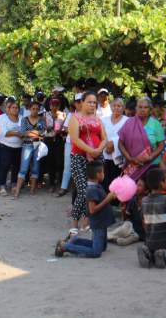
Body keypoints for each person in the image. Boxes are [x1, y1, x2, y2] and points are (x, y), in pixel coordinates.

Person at [55, 160, 116, 258]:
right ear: (98, 174)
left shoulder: (96, 186)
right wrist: (107, 199)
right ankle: (65, 247)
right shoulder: (92, 189)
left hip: (102, 222)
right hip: (98, 223)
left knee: (102, 247)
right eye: (103, 172)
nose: (104, 174)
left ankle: (75, 241)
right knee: (96, 252)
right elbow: (92, 210)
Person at [68, 91, 107, 233]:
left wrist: (98, 150)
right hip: (79, 157)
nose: (92, 105)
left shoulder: (98, 119)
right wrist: (90, 150)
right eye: (89, 102)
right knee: (83, 190)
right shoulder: (75, 118)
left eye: (94, 103)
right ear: (82, 103)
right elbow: (75, 139)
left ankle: (87, 221)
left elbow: (104, 138)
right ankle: (74, 223)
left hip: (97, 157)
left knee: (92, 191)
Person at [118, 97, 166, 182]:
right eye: (140, 107)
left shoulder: (156, 124)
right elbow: (120, 143)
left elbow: (161, 145)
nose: (142, 110)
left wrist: (150, 157)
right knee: (132, 191)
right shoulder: (129, 122)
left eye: (145, 107)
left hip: (152, 165)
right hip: (132, 165)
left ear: (150, 110)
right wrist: (130, 158)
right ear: (136, 108)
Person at [14, 101, 46, 198]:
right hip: (27, 144)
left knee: (35, 168)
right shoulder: (24, 119)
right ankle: (18, 190)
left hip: (37, 144)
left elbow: (43, 134)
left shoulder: (41, 120)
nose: (35, 111)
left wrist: (30, 132)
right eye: (33, 109)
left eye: (37, 109)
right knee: (23, 168)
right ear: (29, 109)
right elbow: (22, 133)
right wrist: (36, 133)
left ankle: (32, 189)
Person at [57, 94, 83, 197]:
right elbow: (65, 128)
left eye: (81, 101)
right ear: (74, 103)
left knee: (80, 166)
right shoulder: (71, 115)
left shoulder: (89, 115)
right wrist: (76, 130)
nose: (79, 104)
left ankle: (78, 189)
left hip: (82, 144)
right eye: (77, 102)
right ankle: (63, 187)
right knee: (67, 165)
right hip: (70, 143)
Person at [101, 98, 128, 194]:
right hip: (104, 154)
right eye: (114, 105)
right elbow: (100, 135)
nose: (116, 108)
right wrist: (106, 145)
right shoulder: (103, 120)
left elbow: (127, 138)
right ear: (111, 107)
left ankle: (116, 202)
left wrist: (114, 143)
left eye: (119, 106)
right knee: (104, 179)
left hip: (119, 157)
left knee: (117, 180)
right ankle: (104, 201)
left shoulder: (127, 121)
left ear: (123, 108)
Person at [0, 100, 23, 196]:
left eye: (17, 108)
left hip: (19, 146)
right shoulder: (1, 118)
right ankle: (2, 185)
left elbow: (24, 132)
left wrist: (17, 133)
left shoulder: (22, 118)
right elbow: (4, 133)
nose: (15, 109)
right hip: (5, 145)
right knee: (5, 165)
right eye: (13, 107)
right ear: (8, 109)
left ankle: (13, 184)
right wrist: (17, 133)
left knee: (16, 166)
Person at [43, 98, 67, 193]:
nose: (54, 107)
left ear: (59, 105)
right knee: (50, 161)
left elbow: (66, 128)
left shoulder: (63, 115)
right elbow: (42, 127)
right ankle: (52, 184)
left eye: (56, 105)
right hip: (48, 139)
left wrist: (61, 130)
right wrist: (47, 128)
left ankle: (60, 182)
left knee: (60, 162)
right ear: (50, 105)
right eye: (53, 105)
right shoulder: (45, 114)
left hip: (59, 139)